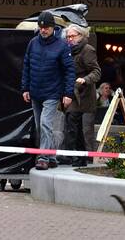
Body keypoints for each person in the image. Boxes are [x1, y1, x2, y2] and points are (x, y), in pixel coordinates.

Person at [21, 11, 74, 170]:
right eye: (41, 27)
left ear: (53, 27)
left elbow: (69, 70)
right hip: (35, 92)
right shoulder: (33, 43)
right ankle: (51, 157)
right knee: (41, 126)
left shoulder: (62, 45)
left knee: (45, 124)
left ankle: (43, 157)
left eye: (47, 27)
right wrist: (25, 88)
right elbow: (26, 66)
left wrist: (68, 93)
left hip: (52, 93)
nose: (43, 30)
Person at [62, 24, 101, 166]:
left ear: (81, 35)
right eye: (68, 37)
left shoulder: (87, 50)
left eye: (72, 36)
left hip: (83, 93)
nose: (69, 39)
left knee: (74, 122)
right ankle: (78, 156)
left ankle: (74, 155)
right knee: (73, 124)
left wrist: (85, 79)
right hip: (70, 91)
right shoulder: (67, 50)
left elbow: (96, 72)